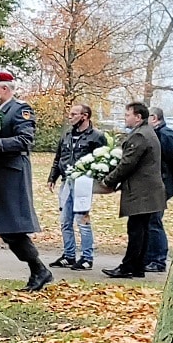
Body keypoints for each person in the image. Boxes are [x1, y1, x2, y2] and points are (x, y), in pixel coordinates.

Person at [0, 71, 52, 292]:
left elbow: (25, 140)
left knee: (12, 229)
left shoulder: (20, 110)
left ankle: (39, 270)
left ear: (5, 89)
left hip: (11, 174)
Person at [97, 102, 165, 279]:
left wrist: (107, 180)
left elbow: (127, 164)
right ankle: (137, 266)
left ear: (138, 117)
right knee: (141, 229)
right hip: (148, 190)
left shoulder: (140, 136)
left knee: (136, 230)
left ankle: (128, 267)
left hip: (142, 191)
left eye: (127, 115)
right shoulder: (146, 132)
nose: (124, 118)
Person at [46, 104, 107, 271]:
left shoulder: (96, 137)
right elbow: (58, 158)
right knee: (65, 221)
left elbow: (103, 160)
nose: (70, 117)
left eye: (74, 114)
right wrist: (53, 177)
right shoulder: (66, 135)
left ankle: (87, 258)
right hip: (66, 182)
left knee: (82, 221)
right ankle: (69, 255)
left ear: (84, 116)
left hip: (83, 184)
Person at [145, 107, 173, 272]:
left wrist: (169, 182)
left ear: (154, 118)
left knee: (154, 221)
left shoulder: (167, 136)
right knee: (148, 221)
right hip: (153, 185)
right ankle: (149, 258)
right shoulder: (154, 135)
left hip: (161, 185)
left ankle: (158, 260)